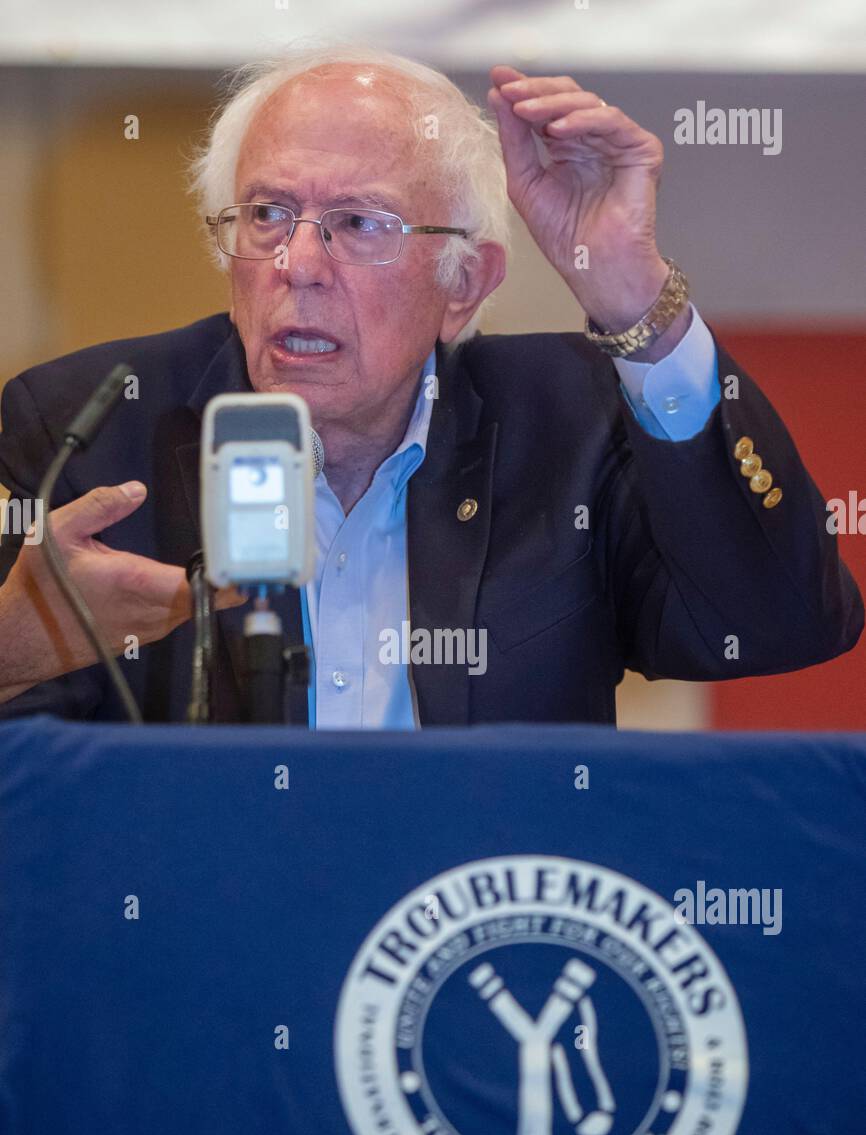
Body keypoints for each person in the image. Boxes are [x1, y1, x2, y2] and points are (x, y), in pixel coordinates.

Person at [0, 41, 861, 724]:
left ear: (465, 284)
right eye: (267, 215)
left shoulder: (569, 422)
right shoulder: (84, 430)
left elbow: (779, 625)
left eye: (357, 223)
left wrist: (637, 296)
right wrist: (15, 648)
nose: (297, 263)